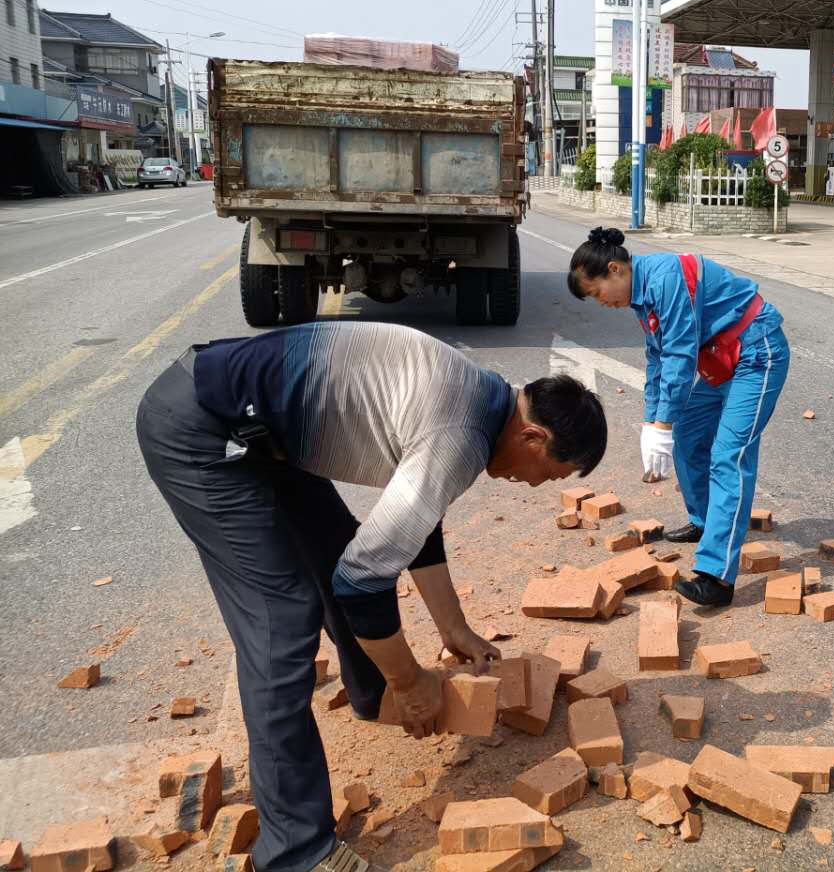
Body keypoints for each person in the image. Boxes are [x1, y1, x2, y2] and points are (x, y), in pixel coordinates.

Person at [135, 322, 606, 872]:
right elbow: (363, 583)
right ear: (534, 438)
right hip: (202, 428)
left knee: (338, 552)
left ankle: (372, 696)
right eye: (549, 475)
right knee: (281, 619)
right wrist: (413, 682)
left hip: (259, 427)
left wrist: (454, 630)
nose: (535, 486)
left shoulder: (484, 399)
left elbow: (418, 517)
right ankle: (296, 853)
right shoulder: (461, 434)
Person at [568, 228, 789, 608]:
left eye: (596, 292)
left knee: (729, 455)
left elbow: (680, 355)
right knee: (687, 435)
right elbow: (657, 358)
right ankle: (706, 523)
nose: (601, 303)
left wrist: (662, 424)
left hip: (757, 354)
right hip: (722, 360)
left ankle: (717, 578)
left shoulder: (665, 278)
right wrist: (652, 422)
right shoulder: (642, 295)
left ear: (615, 269)